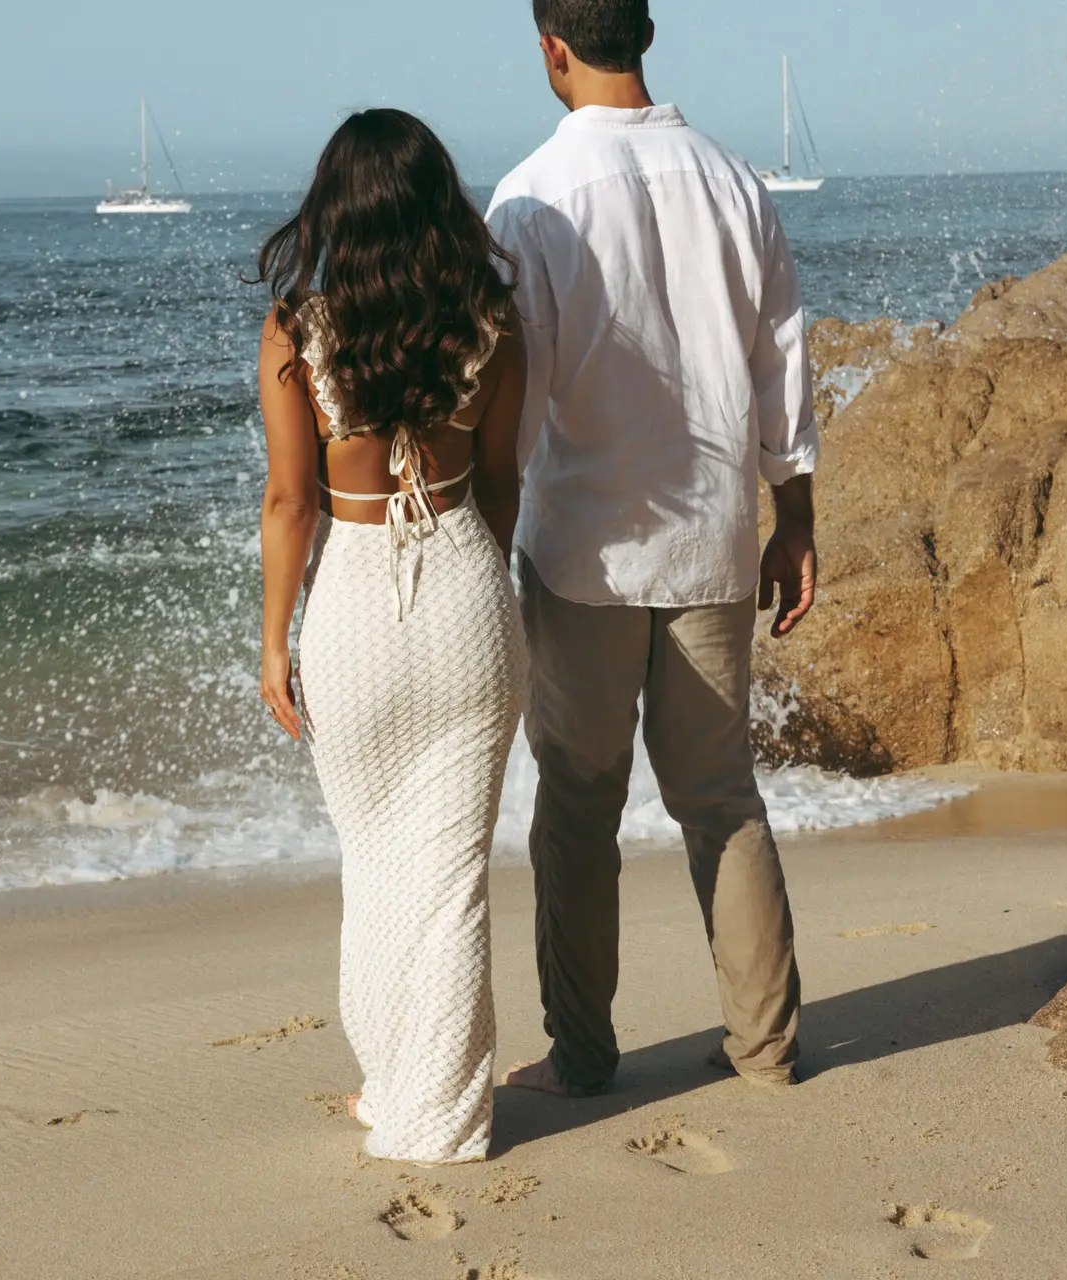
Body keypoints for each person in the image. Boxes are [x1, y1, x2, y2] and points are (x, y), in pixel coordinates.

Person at [486, 0, 819, 1097]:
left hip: (583, 553)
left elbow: (516, 403)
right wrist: (796, 516)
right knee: (721, 797)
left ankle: (583, 1056)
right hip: (713, 539)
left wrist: (485, 538)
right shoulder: (734, 181)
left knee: (579, 808)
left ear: (553, 49)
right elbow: (781, 361)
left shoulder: (530, 197)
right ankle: (766, 1050)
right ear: (647, 33)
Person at [253, 109, 530, 1164]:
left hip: (354, 611)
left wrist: (274, 641)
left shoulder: (297, 330)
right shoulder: (492, 322)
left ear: (337, 210)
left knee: (372, 863)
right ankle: (439, 1108)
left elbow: (291, 503)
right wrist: (488, 596)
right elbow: (500, 485)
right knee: (452, 875)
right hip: (465, 591)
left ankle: (397, 1084)